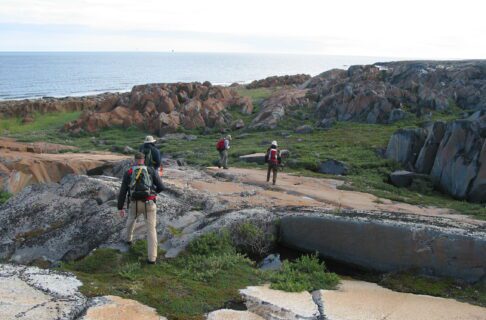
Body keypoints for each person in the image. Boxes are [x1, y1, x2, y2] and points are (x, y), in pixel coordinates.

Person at [117, 152, 164, 264]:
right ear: (143, 160)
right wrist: (153, 193)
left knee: (131, 219)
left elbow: (123, 191)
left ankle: (128, 240)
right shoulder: (151, 170)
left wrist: (120, 207)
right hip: (149, 203)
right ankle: (152, 258)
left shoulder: (128, 172)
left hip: (135, 203)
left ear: (135, 160)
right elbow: (162, 187)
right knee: (151, 230)